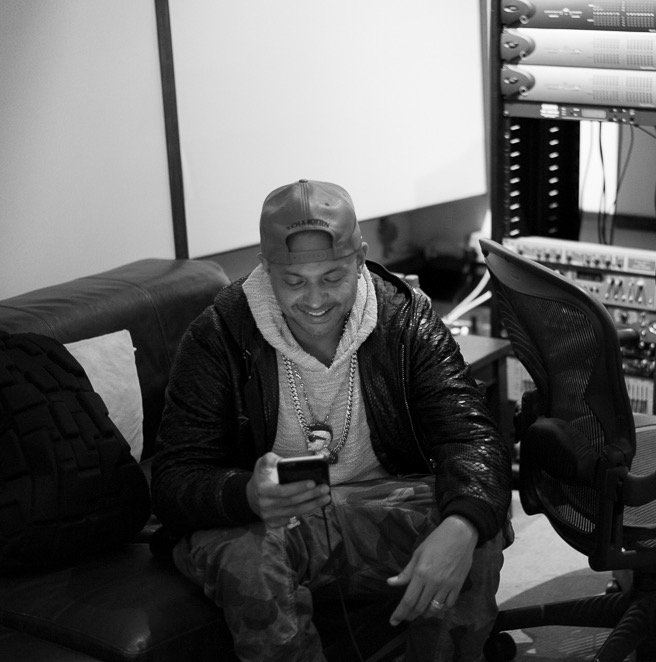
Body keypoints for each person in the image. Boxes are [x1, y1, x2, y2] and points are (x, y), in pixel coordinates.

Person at [151, 179, 513, 661]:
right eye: (294, 282)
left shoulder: (404, 319)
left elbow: (471, 437)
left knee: (471, 523)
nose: (315, 299)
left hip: (371, 501)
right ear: (265, 267)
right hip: (267, 524)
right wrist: (245, 494)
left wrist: (462, 526)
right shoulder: (219, 335)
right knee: (249, 560)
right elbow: (172, 479)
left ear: (361, 258)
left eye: (332, 277)